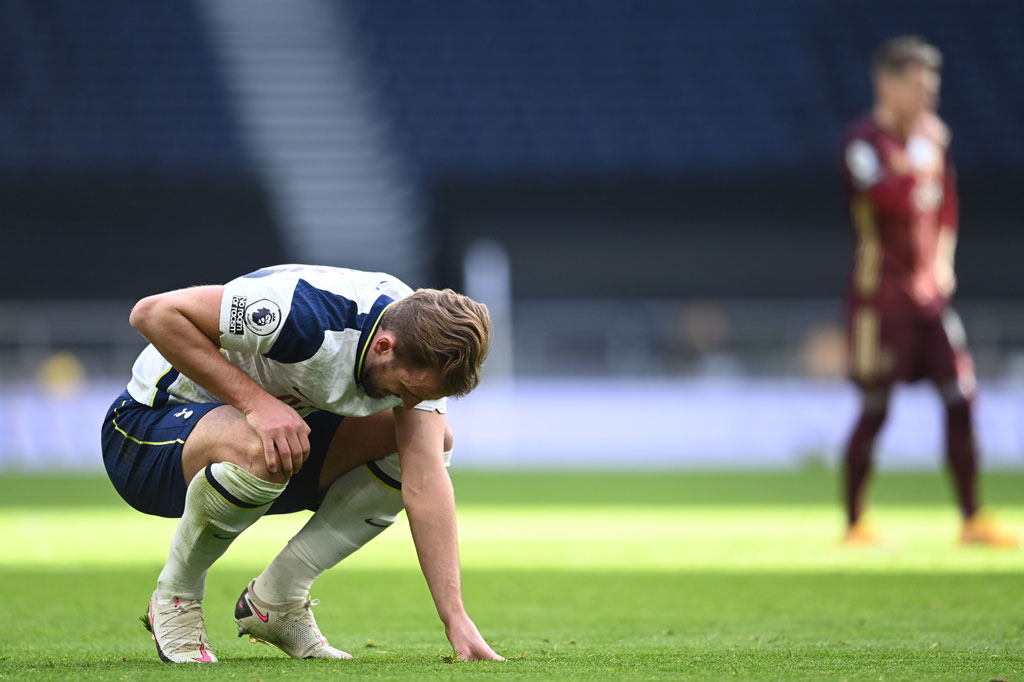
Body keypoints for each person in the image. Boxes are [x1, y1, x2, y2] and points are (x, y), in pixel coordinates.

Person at [100, 264, 504, 663]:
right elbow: (153, 313)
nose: (411, 403)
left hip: (263, 458)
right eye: (407, 390)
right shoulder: (302, 312)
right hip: (143, 440)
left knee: (426, 444)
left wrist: (455, 617)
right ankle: (176, 596)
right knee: (261, 439)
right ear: (384, 346)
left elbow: (425, 481)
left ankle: (277, 599)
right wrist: (256, 404)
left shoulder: (423, 343)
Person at [839, 36, 1016, 547]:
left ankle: (971, 518)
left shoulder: (931, 145)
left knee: (961, 398)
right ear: (887, 85)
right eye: (918, 86)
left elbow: (946, 208)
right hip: (881, 299)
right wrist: (919, 153)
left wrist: (944, 261)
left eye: (931, 88)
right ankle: (854, 523)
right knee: (876, 407)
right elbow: (890, 201)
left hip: (929, 298)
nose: (928, 99)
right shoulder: (863, 143)